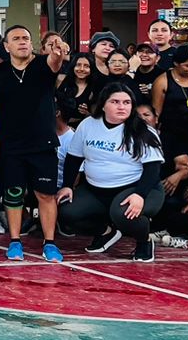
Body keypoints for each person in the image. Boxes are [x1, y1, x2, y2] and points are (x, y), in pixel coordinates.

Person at [0, 25, 70, 262]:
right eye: (16, 38)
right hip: (11, 145)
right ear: (6, 46)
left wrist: (58, 51)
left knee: (46, 194)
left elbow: (55, 61)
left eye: (26, 38)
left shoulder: (42, 64)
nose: (22, 42)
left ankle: (50, 243)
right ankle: (15, 241)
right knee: (13, 193)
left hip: (43, 143)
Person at [59, 83, 167, 263]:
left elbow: (153, 169)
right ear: (103, 105)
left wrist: (140, 195)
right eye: (115, 102)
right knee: (66, 211)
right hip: (96, 190)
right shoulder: (88, 124)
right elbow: (74, 158)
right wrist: (67, 186)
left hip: (139, 188)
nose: (121, 107)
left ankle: (144, 241)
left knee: (124, 213)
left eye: (126, 102)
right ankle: (106, 233)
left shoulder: (144, 130)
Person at [57, 54, 95, 127]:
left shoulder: (93, 89)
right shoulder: (62, 80)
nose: (81, 69)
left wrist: (86, 113)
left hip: (80, 128)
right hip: (57, 127)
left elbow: (95, 116)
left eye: (86, 66)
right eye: (78, 65)